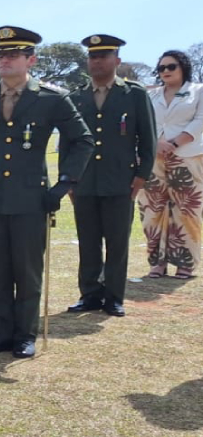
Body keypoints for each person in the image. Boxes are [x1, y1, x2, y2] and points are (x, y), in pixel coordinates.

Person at [0, 26, 93, 359]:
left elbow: (82, 140)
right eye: (0, 55)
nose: (4, 60)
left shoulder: (51, 98)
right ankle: (0, 332)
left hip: (31, 198)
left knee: (27, 269)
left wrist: (64, 183)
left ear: (30, 59)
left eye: (12, 54)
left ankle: (24, 333)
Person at [67, 35, 155, 315]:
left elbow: (148, 140)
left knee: (117, 242)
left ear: (117, 60)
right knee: (88, 240)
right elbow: (68, 142)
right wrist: (68, 179)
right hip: (85, 181)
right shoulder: (77, 97)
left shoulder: (135, 94)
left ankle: (114, 296)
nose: (97, 61)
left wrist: (142, 176)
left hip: (121, 180)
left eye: (103, 56)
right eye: (92, 56)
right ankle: (90, 294)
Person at [140, 50, 203, 279]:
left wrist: (175, 143)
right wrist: (156, 144)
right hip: (153, 158)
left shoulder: (198, 91)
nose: (165, 71)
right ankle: (157, 262)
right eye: (161, 68)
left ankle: (185, 263)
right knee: (152, 209)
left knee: (186, 210)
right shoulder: (151, 95)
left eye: (171, 66)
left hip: (187, 155)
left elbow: (200, 121)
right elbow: (143, 123)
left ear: (183, 67)